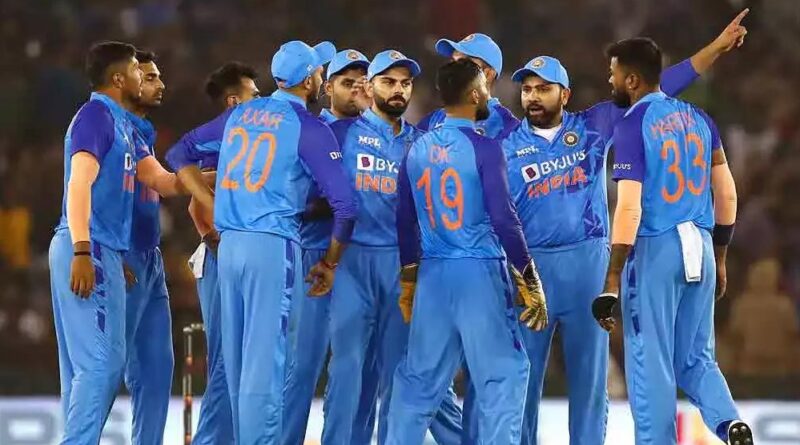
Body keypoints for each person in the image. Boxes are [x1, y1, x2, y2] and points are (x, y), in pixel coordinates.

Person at [501, 9, 749, 444]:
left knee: (591, 381)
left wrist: (714, 49)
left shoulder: (596, 124)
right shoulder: (505, 142)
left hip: (588, 263)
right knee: (523, 376)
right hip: (533, 269)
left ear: (565, 94)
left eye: (543, 88)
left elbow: (661, 85)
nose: (533, 96)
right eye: (526, 89)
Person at [168, 40, 357, 444]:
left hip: (230, 246)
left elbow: (178, 154)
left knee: (237, 364)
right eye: (319, 71)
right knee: (265, 365)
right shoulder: (310, 128)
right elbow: (346, 206)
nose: (321, 76)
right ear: (308, 80)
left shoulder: (239, 115)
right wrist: (330, 262)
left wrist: (211, 203)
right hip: (271, 246)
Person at [593, 37, 752, 445]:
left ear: (631, 80)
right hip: (701, 244)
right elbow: (727, 194)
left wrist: (612, 278)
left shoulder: (632, 125)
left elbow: (629, 207)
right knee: (697, 357)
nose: (609, 81)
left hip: (656, 249)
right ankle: (730, 422)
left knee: (651, 363)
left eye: (613, 74)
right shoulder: (700, 119)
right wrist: (720, 256)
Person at [386, 58, 547, 445]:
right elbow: (505, 218)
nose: (489, 95)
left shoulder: (417, 148)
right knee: (505, 373)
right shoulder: (485, 148)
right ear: (475, 94)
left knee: (418, 381)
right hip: (478, 273)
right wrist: (529, 278)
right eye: (485, 89)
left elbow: (405, 219)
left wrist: (409, 280)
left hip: (432, 276)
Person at [50, 41, 188, 444]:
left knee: (99, 366)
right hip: (87, 243)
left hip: (104, 249)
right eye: (136, 70)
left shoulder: (124, 126)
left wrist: (218, 177)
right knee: (101, 364)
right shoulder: (95, 116)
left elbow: (161, 181)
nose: (142, 76)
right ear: (117, 78)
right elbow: (79, 183)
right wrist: (82, 249)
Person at [321, 50, 462, 445]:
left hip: (404, 267)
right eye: (388, 81)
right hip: (352, 261)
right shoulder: (341, 134)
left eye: (405, 83)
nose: (398, 90)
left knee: (398, 374)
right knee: (346, 369)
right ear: (369, 87)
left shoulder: (422, 143)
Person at [283, 48, 377, 445]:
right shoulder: (310, 129)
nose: (356, 88)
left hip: (363, 258)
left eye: (362, 82)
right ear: (327, 88)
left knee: (356, 368)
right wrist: (339, 201)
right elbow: (297, 197)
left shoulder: (380, 134)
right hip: (315, 254)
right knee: (302, 365)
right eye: (346, 82)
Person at [186, 60, 260, 445]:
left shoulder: (245, 139)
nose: (262, 100)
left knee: (241, 359)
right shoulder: (221, 140)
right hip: (219, 258)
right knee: (226, 361)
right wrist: (221, 244)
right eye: (254, 94)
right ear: (234, 101)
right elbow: (196, 205)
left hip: (233, 255)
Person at [122, 49, 174, 445]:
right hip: (122, 256)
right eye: (150, 77)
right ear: (128, 80)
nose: (160, 85)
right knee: (105, 369)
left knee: (158, 369)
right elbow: (165, 183)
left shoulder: (143, 131)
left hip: (150, 256)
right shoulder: (114, 129)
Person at [418, 33, 518, 139]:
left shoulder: (508, 126)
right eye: (453, 62)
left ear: (488, 74)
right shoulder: (434, 119)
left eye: (464, 63)